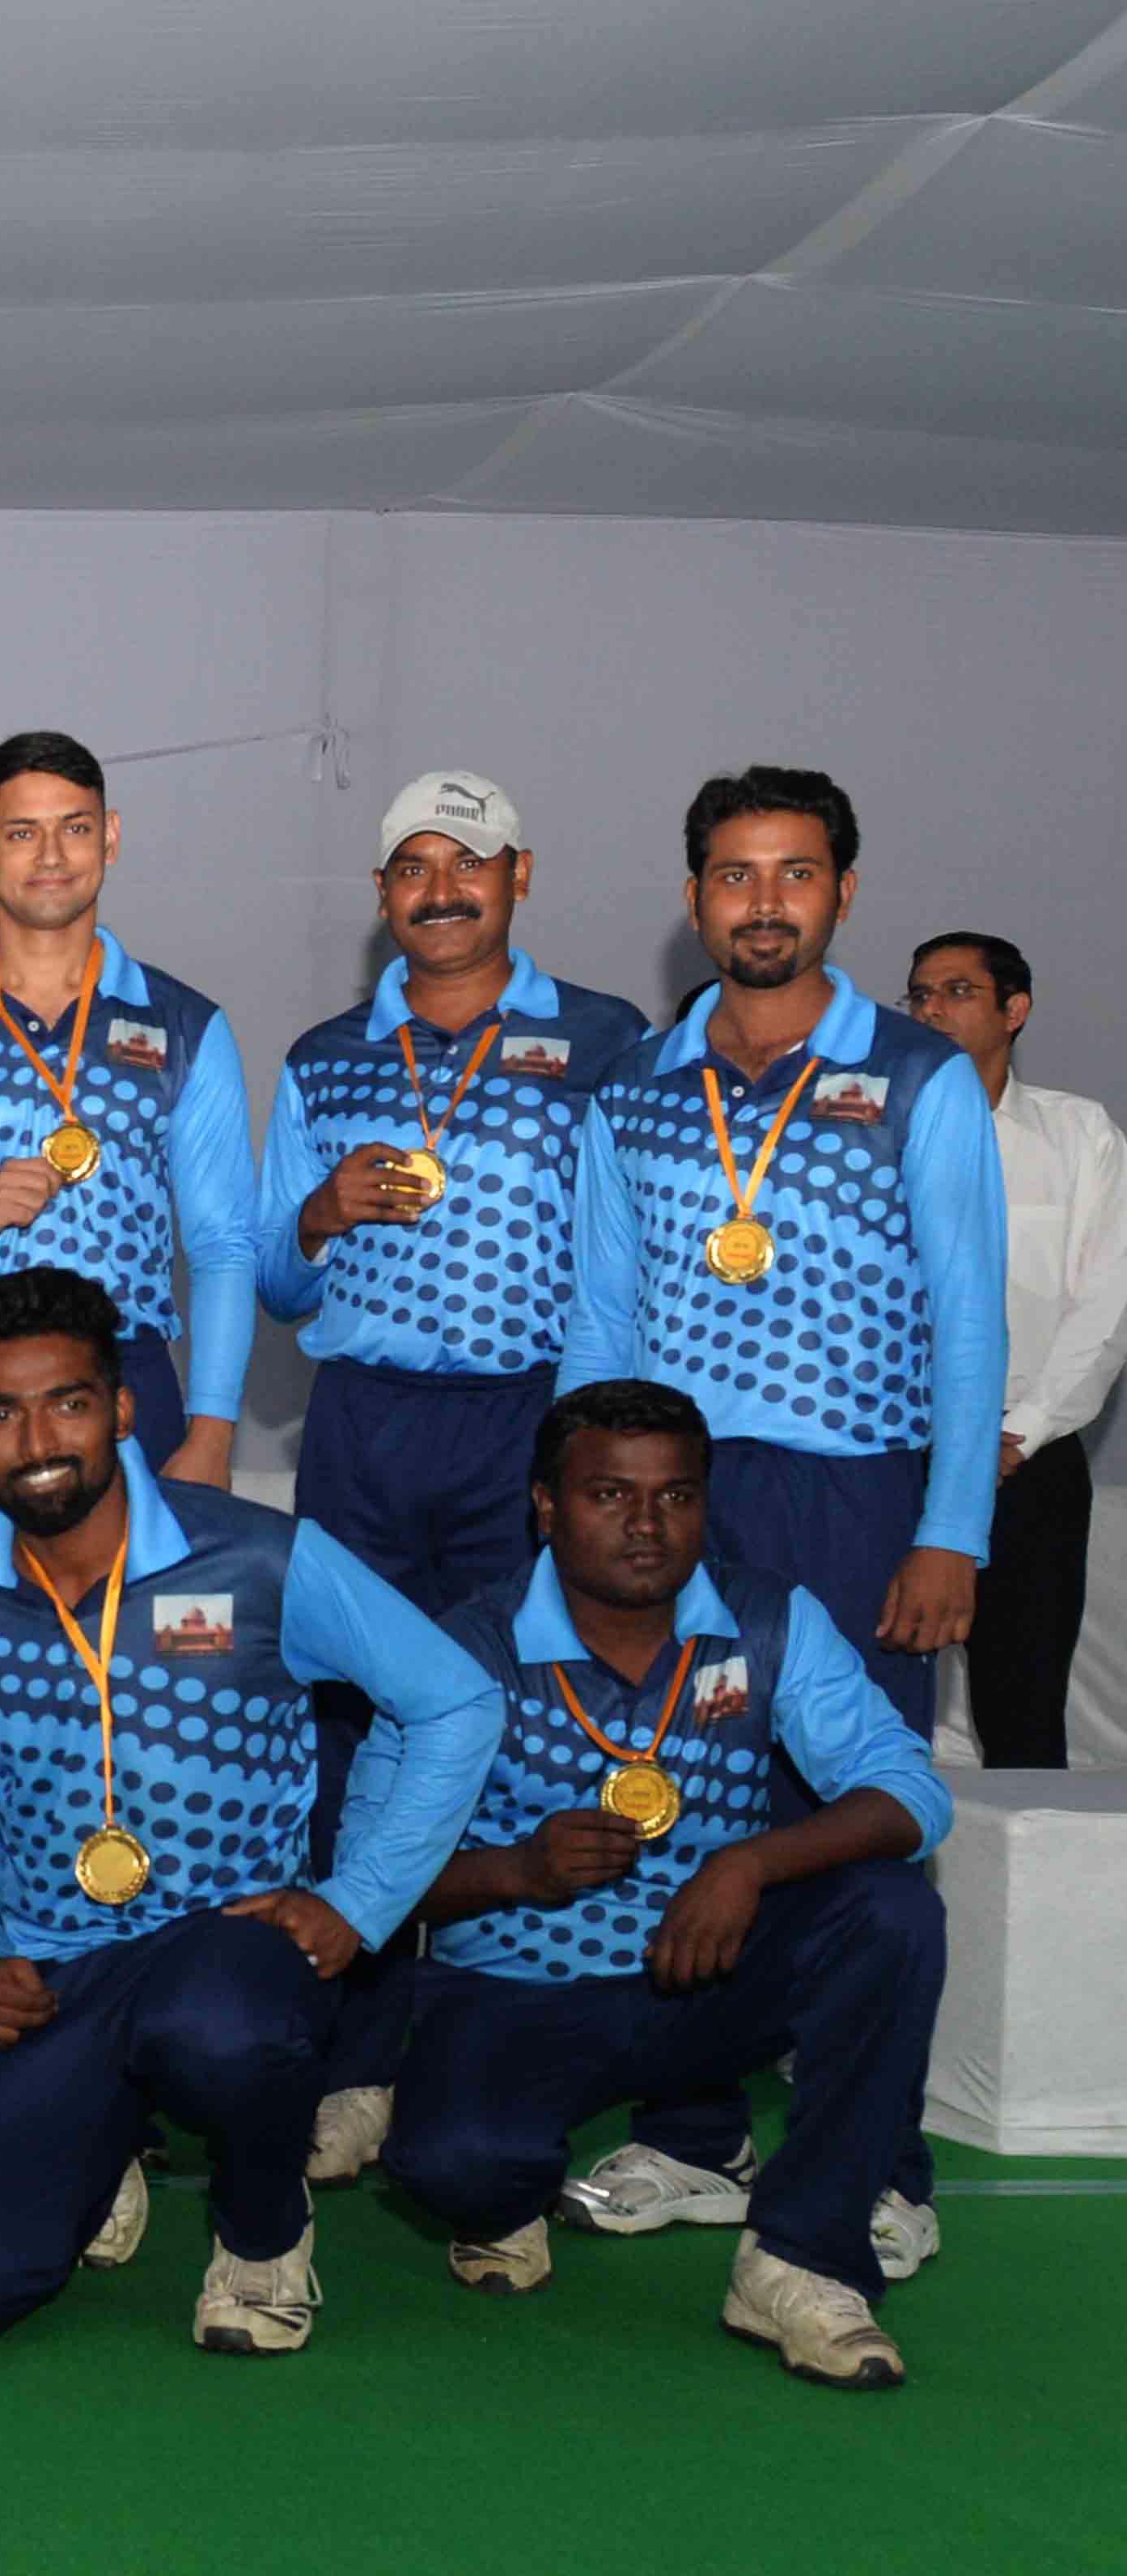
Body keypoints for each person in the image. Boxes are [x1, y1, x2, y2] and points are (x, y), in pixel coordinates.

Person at [0, 1268, 498, 2355]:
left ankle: (262, 2233)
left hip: (226, 1950)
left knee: (217, 2029)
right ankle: (98, 2142)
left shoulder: (256, 1555)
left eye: (67, 1401)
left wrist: (355, 1899)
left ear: (122, 1408)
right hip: (52, 1965)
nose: (37, 1441)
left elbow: (454, 1702)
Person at [560, 766, 1001, 2243]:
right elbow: (600, 1317)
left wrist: (950, 1529)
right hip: (670, 1502)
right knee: (676, 1799)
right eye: (734, 876)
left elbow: (970, 1317)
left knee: (851, 1814)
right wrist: (575, 1504)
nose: (763, 902)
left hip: (861, 1492)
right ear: (692, 900)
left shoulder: (919, 1077)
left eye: (793, 874)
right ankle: (692, 2137)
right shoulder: (633, 1083)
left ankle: (875, 2164)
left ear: (841, 893)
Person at [381, 1380, 949, 2390]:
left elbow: (910, 1790)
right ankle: (513, 2191)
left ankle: (798, 2260)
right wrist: (517, 1870)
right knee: (454, 2167)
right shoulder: (458, 1648)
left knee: (889, 1907)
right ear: (545, 1507)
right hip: (519, 1997)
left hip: (704, 1979)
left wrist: (747, 1861)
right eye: (607, 1495)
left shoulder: (767, 1618)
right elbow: (370, 1882)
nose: (646, 1526)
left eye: (675, 1497)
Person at [253, 772, 652, 2183]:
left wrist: (585, 1439)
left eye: (467, 863)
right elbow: (273, 1277)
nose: (440, 888)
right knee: (347, 1732)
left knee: (512, 1733)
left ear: (518, 875)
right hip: (362, 1425)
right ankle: (351, 2057)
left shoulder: (604, 1039)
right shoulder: (320, 1054)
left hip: (526, 1428)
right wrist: (319, 1208)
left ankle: (482, 2056)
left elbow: (629, 1252)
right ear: (381, 896)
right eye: (411, 866)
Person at [0, 730, 257, 1531]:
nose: (52, 854)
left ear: (110, 836)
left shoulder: (185, 1026)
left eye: (73, 826)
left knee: (135, 1646)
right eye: (20, 832)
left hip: (125, 1373)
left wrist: (211, 1430)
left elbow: (222, 1247)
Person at [906, 930, 1127, 1768]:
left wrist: (1016, 1434)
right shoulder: (867, 1130)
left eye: (956, 992)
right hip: (895, 1453)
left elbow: (1104, 1307)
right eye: (919, 994)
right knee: (871, 1703)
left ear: (1014, 1010)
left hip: (1024, 1459)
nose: (931, 1010)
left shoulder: (1077, 1135)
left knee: (1022, 1715)